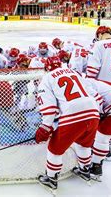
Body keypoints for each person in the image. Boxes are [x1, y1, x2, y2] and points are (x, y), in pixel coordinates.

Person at [36, 57, 100, 191]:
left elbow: (49, 109)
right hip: (94, 110)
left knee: (55, 147)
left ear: (46, 68)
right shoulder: (73, 72)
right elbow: (93, 92)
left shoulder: (47, 78)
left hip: (73, 113)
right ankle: (85, 169)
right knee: (84, 143)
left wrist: (44, 128)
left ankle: (51, 178)